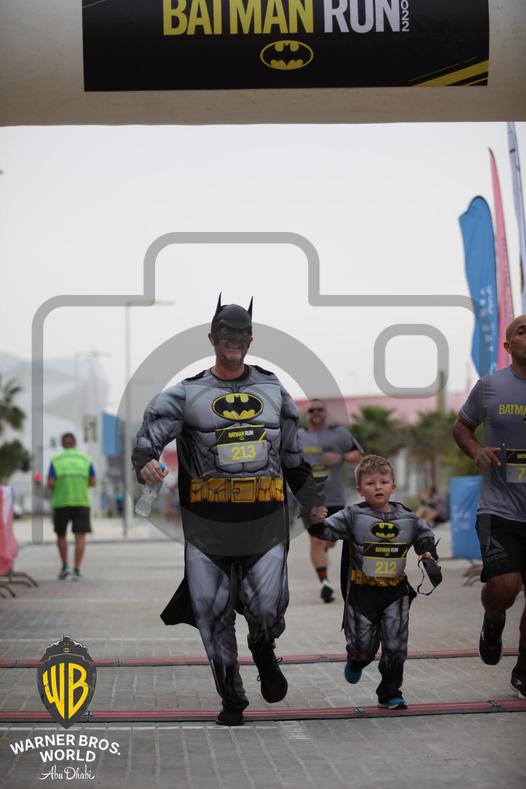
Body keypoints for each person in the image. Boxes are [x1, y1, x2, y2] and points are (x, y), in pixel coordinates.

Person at [132, 296, 326, 726]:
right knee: (211, 615)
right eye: (226, 332)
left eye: (242, 333)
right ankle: (232, 697)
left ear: (251, 339)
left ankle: (263, 647)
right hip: (208, 530)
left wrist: (314, 503)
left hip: (264, 525)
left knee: (268, 610)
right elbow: (149, 436)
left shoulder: (274, 390)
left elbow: (293, 457)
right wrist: (144, 461)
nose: (234, 340)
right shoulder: (186, 394)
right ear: (212, 338)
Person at [308, 454, 439, 710]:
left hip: (395, 593)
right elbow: (324, 531)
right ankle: (356, 661)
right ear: (360, 490)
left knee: (396, 647)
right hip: (362, 594)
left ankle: (390, 692)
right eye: (370, 483)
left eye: (383, 481)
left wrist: (427, 555)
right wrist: (314, 519)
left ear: (393, 486)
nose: (378, 487)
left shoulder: (408, 517)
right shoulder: (351, 516)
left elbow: (425, 536)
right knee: (362, 649)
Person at [452, 314, 526, 699]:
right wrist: (476, 450)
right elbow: (461, 427)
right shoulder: (491, 387)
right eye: (523, 330)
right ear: (508, 345)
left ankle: (524, 669)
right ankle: (493, 618)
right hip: (500, 509)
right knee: (504, 587)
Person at [298, 399, 362, 602]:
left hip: (334, 496)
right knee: (316, 539)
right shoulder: (299, 436)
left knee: (331, 540)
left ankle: (327, 547)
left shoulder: (339, 434)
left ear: (325, 412)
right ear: (307, 414)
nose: (316, 413)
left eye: (319, 410)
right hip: (309, 498)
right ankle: (324, 583)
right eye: (312, 410)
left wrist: (341, 457)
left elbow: (358, 454)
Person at [47, 432, 96, 581]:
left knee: (61, 535)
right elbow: (93, 482)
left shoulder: (56, 459)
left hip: (61, 503)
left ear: (62, 444)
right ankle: (77, 570)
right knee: (80, 537)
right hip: (81, 502)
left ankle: (65, 567)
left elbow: (50, 483)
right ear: (75, 443)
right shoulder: (85, 459)